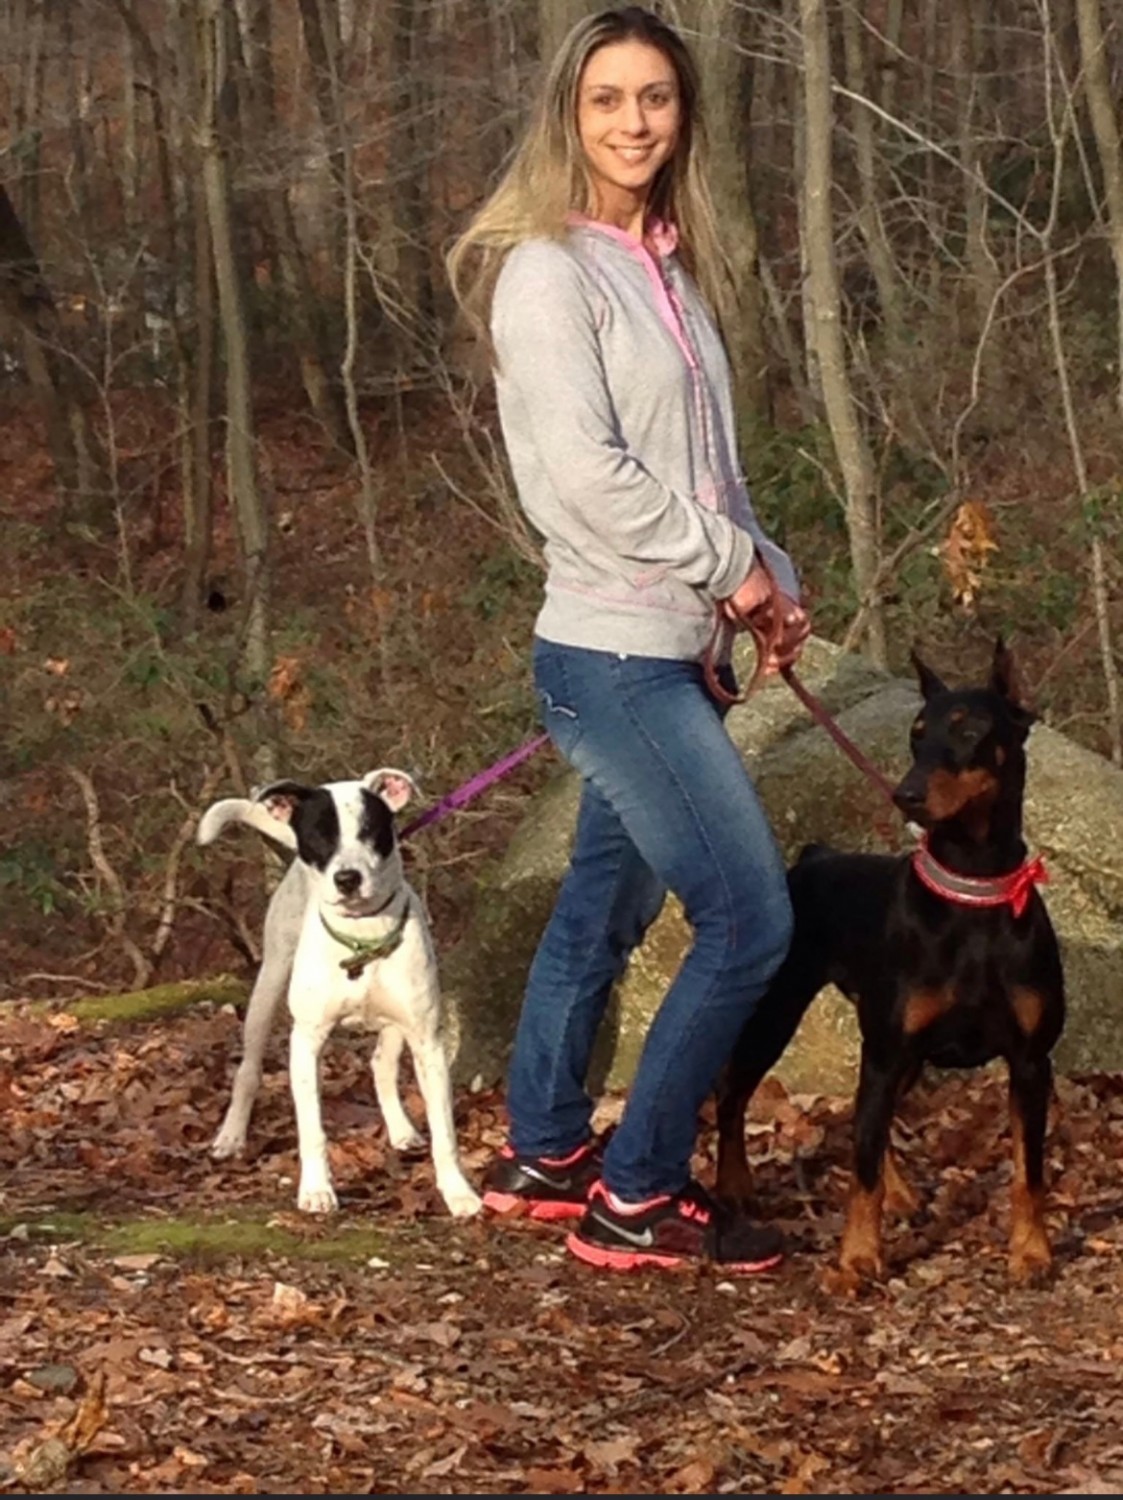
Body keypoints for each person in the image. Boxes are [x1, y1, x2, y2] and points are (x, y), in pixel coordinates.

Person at [446, 5, 811, 1273]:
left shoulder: (664, 263)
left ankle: (548, 1150)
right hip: (609, 656)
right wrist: (733, 572)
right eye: (608, 100)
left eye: (655, 97)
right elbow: (592, 481)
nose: (634, 121)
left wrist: (772, 575)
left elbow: (704, 469)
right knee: (748, 922)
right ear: (569, 114)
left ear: (682, 112)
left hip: (670, 640)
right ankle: (638, 1193)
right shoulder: (548, 272)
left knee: (600, 905)